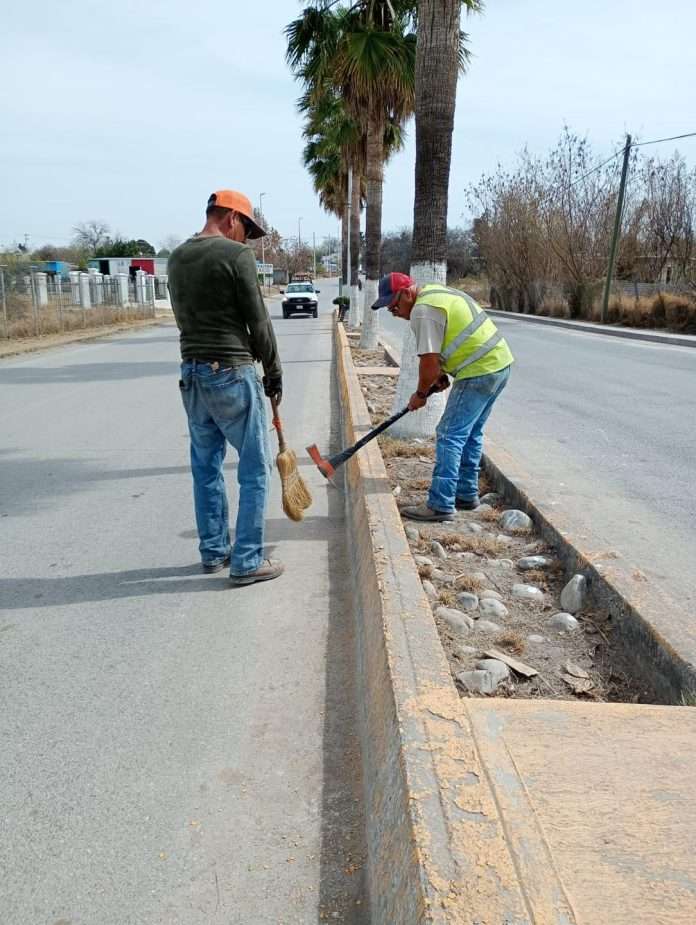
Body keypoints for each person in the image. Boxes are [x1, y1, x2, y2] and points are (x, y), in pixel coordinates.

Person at [168, 190, 284, 585]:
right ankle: (248, 560)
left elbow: (187, 318)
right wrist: (273, 371)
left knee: (205, 468)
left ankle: (214, 551)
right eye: (247, 229)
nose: (246, 239)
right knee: (255, 469)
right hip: (231, 373)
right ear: (231, 217)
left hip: (193, 374)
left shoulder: (178, 256)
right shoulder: (236, 257)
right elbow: (259, 321)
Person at [372, 272, 514, 523]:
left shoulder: (422, 311)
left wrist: (420, 394)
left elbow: (428, 364)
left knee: (449, 434)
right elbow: (441, 355)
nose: (394, 312)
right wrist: (440, 376)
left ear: (406, 293)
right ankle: (466, 494)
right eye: (389, 309)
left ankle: (440, 503)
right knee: (470, 433)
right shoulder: (434, 293)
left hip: (479, 371)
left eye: (394, 305)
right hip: (499, 364)